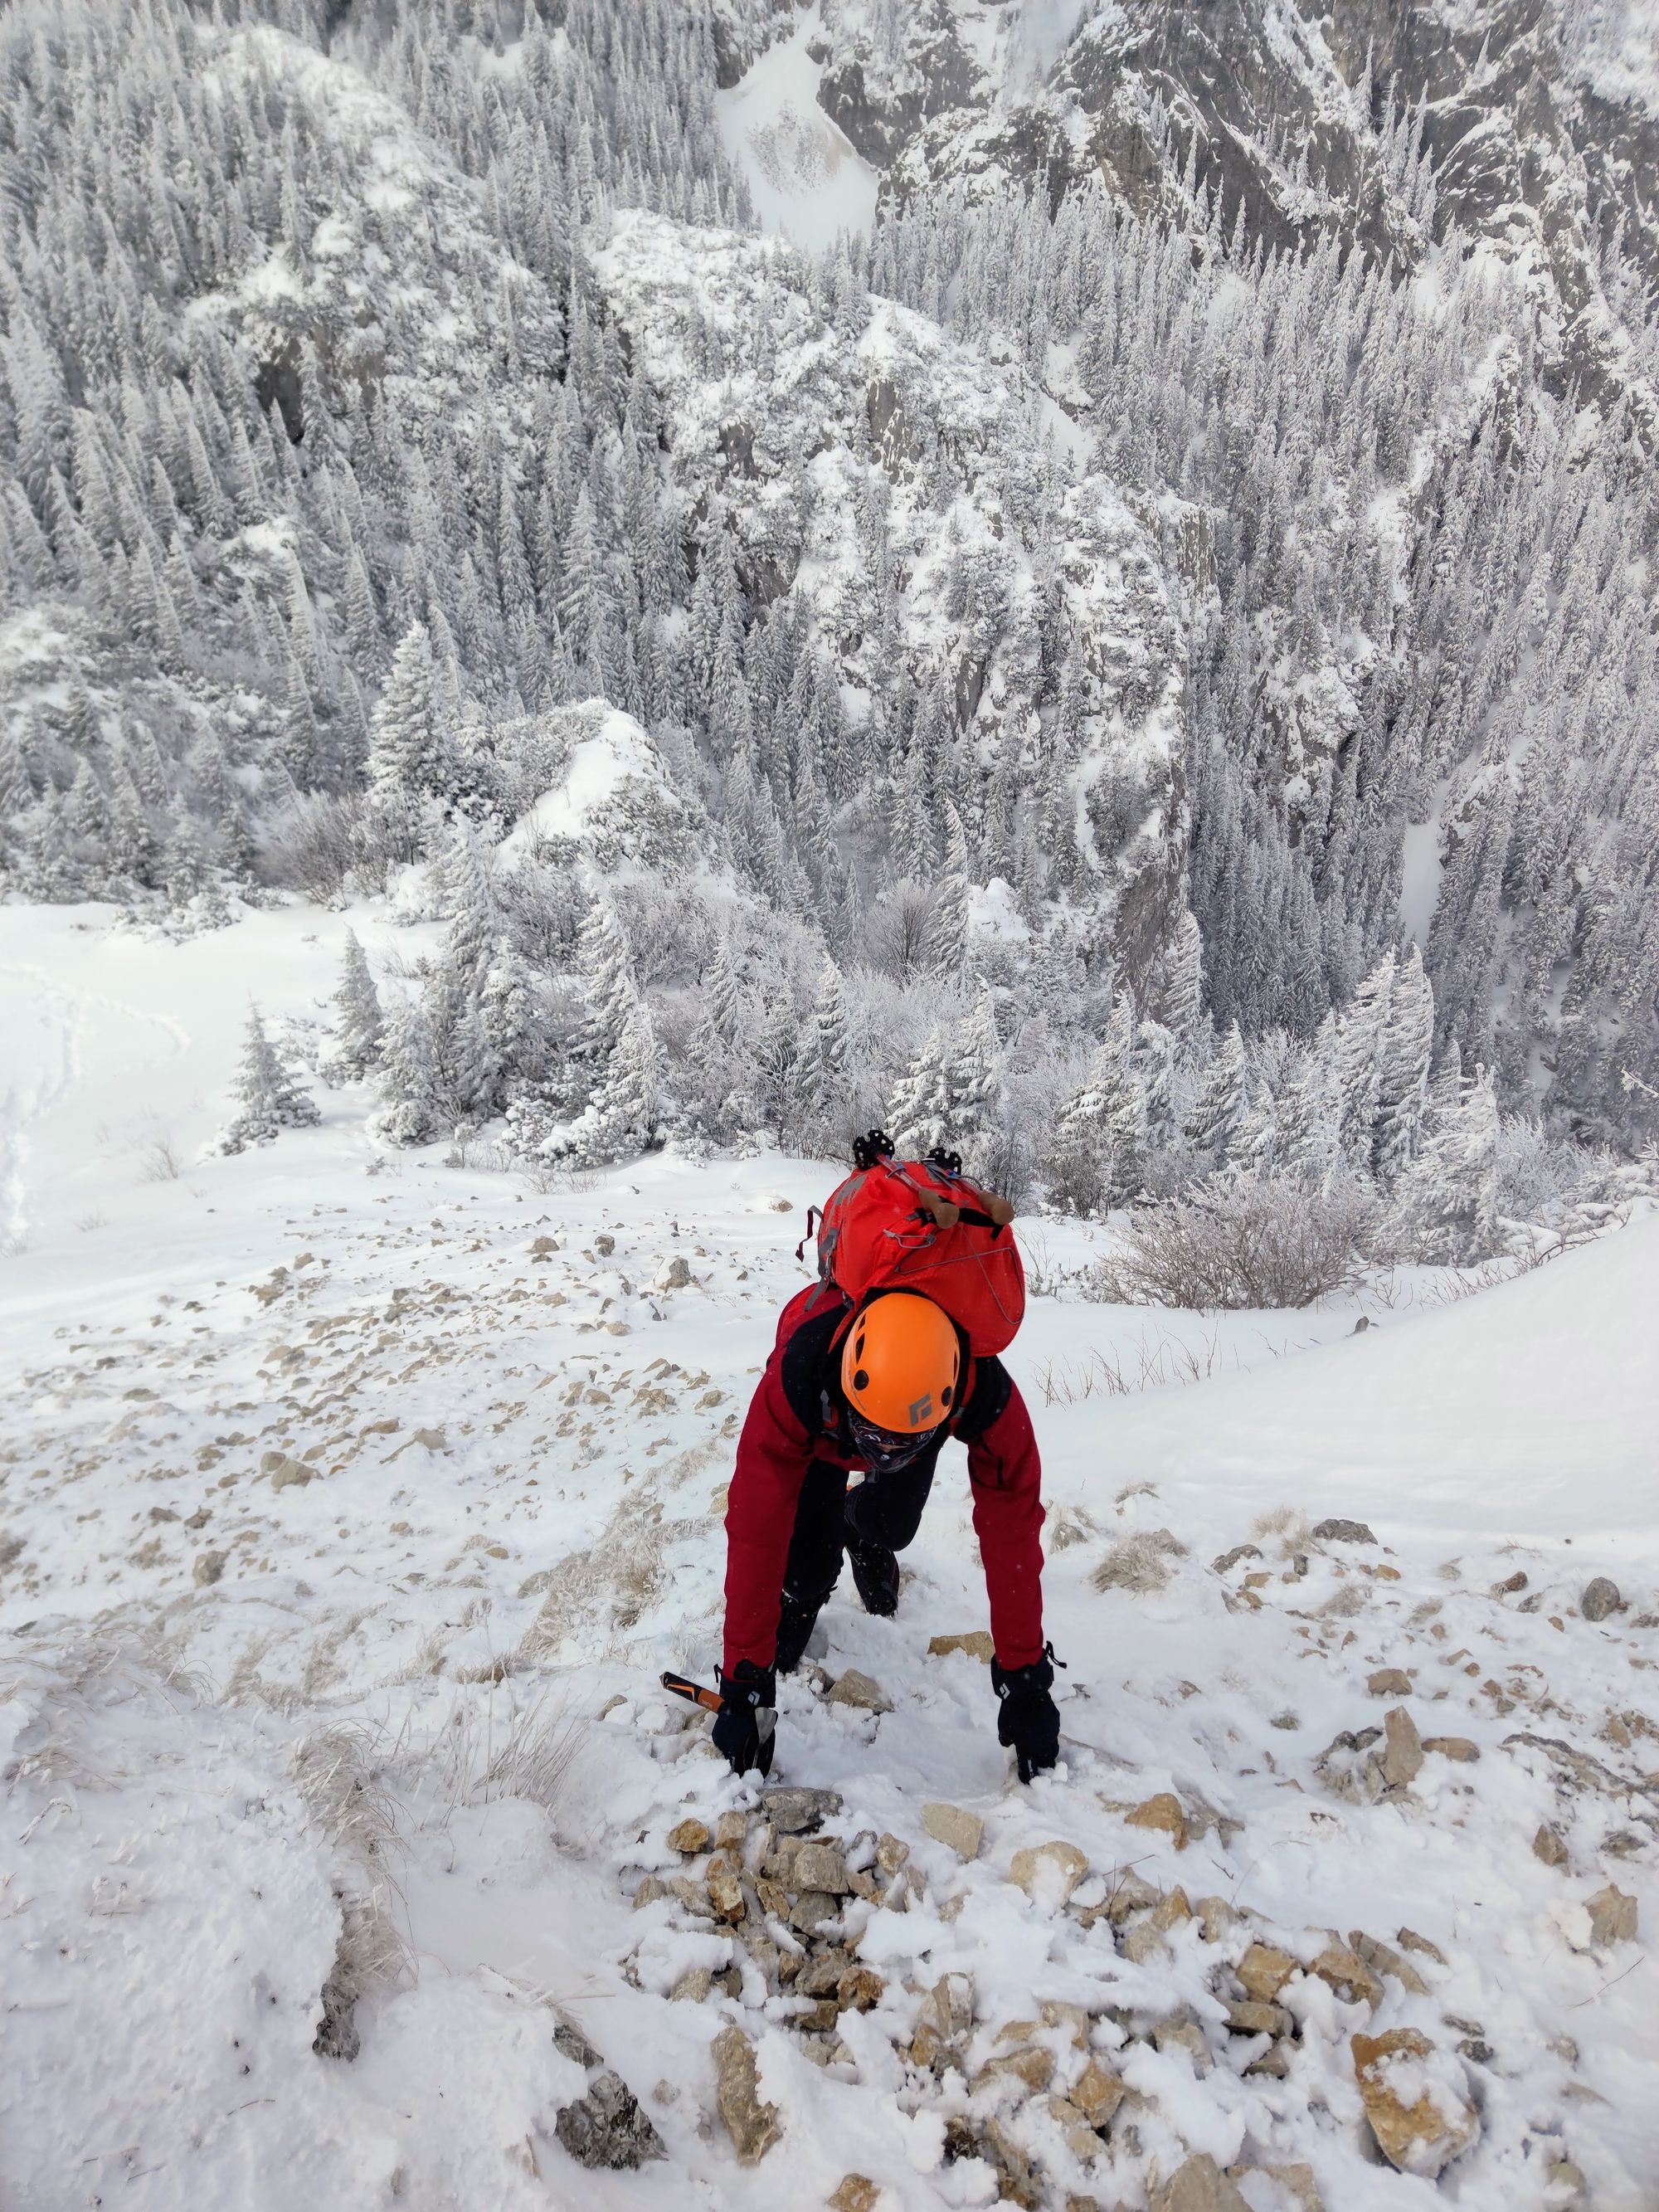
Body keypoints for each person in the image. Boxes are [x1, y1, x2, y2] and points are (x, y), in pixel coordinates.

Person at [713, 1280, 1060, 1781]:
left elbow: (1013, 1532)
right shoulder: (798, 1377)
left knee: (891, 1527)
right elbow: (755, 1525)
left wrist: (1025, 1680)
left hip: (909, 1412)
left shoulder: (981, 1390)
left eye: (902, 1447)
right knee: (806, 1575)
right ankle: (819, 1564)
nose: (884, 1458)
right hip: (823, 1435)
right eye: (875, 1441)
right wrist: (746, 1679)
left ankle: (860, 1523)